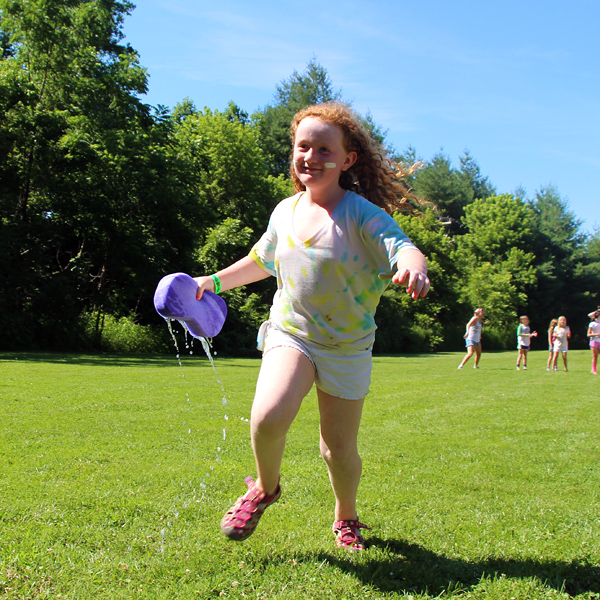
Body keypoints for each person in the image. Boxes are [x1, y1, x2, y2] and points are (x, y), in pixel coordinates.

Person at [193, 102, 430, 551]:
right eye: (304, 146)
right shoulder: (285, 211)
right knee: (267, 417)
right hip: (292, 333)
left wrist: (412, 267)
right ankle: (264, 487)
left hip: (347, 346)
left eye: (325, 149)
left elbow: (403, 247)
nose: (311, 157)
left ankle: (346, 516)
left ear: (347, 160)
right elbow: (260, 261)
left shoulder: (360, 214)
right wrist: (216, 281)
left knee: (337, 450)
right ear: (293, 152)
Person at [587, 311, 600, 375]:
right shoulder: (592, 324)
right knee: (595, 356)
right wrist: (596, 334)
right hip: (594, 341)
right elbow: (588, 334)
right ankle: (594, 370)